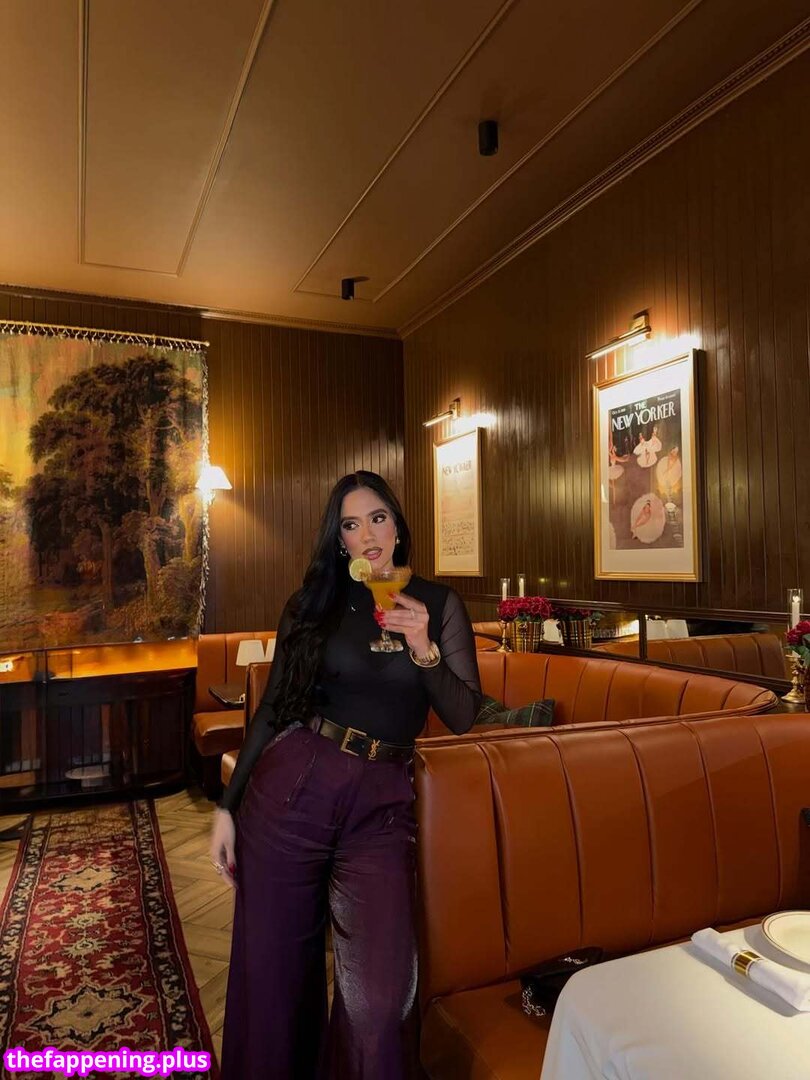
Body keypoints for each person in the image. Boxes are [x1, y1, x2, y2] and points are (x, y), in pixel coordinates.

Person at [209, 470, 482, 1079]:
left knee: (382, 999)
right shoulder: (313, 604)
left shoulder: (437, 605)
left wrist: (423, 648)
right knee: (274, 982)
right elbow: (274, 708)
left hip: (382, 806)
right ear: (340, 541)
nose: (369, 535)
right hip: (295, 788)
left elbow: (463, 715)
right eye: (352, 525)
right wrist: (227, 805)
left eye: (378, 518)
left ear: (397, 527)